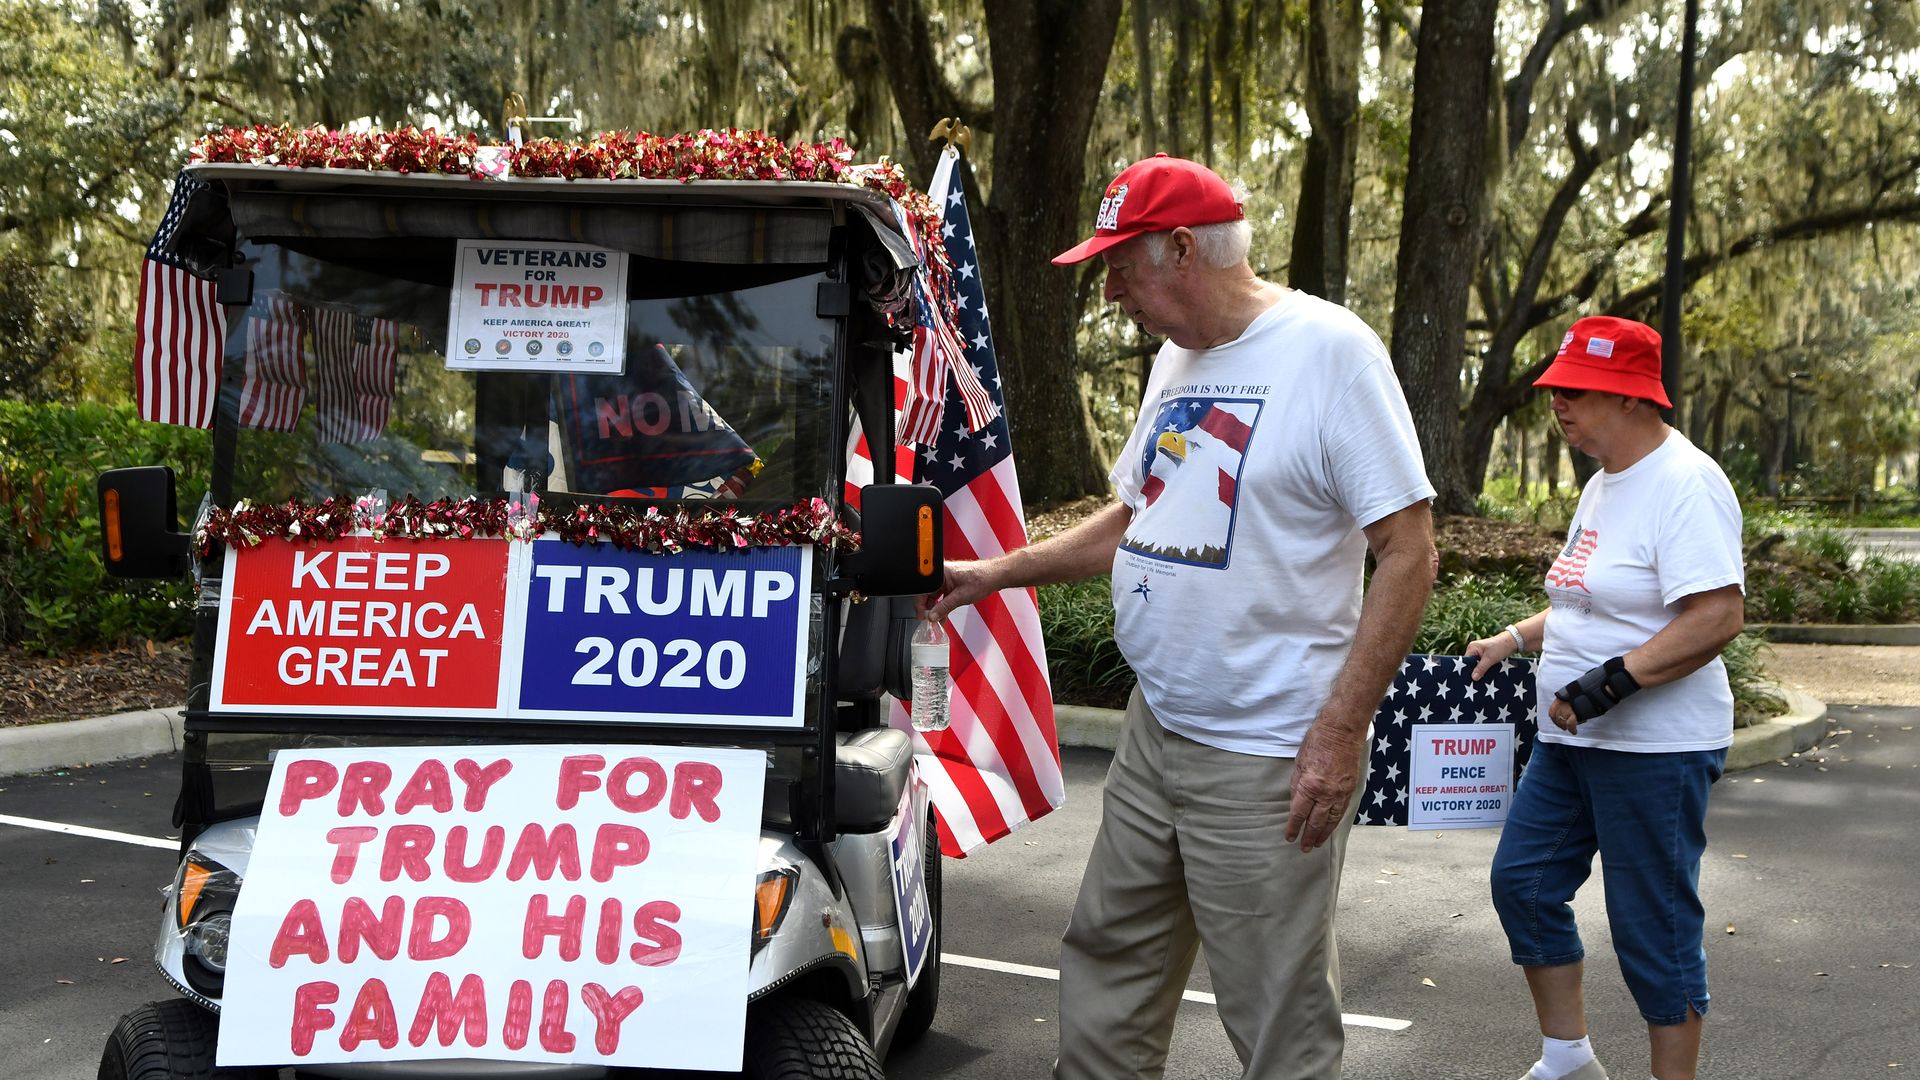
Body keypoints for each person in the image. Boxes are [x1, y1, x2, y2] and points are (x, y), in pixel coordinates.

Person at [923, 153, 1436, 1080]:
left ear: (1184, 250)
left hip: (1268, 752)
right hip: (1158, 733)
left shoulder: (1332, 353)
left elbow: (1409, 550)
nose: (1111, 288)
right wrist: (995, 571)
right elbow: (1136, 515)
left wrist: (1340, 729)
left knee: (1276, 1018)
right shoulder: (1179, 357)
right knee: (1108, 965)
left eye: (1122, 265)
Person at [1465, 316, 1746, 1080]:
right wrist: (1516, 639)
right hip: (1571, 743)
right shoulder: (1603, 483)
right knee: (1522, 884)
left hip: (1654, 750)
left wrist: (1606, 687)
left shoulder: (1685, 483)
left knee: (1651, 927)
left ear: (1632, 399)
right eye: (1555, 390)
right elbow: (1593, 602)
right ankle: (1568, 1059)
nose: (1558, 404)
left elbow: (1716, 615)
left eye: (1576, 391)